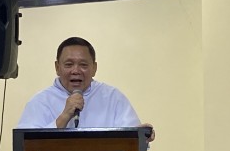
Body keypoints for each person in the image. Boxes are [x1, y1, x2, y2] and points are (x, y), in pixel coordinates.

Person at [17, 37, 155, 142]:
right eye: (69, 64)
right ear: (57, 67)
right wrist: (64, 116)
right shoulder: (40, 102)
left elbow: (133, 142)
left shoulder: (112, 97)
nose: (76, 71)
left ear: (94, 68)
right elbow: (24, 147)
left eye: (83, 65)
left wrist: (141, 135)